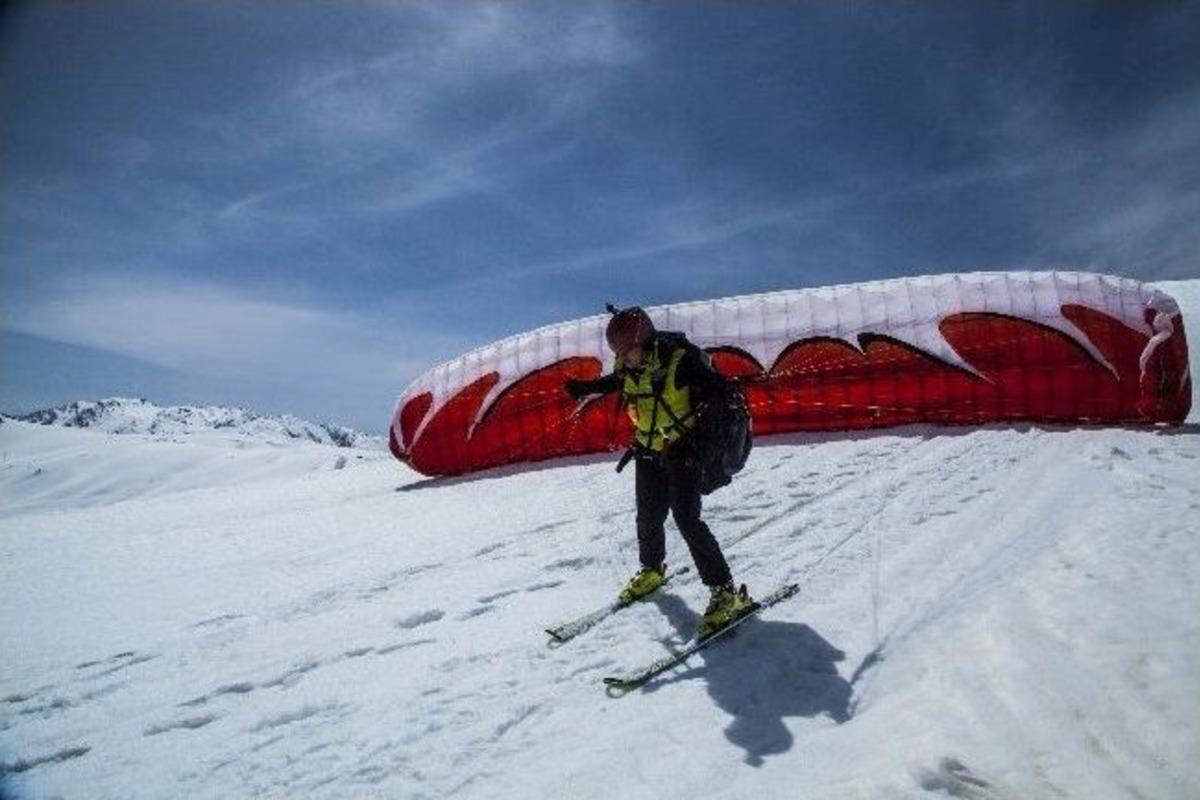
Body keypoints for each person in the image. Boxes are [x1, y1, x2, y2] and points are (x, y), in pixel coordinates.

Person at [565, 305, 753, 638]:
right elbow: (619, 380)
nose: (627, 358)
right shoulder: (628, 363)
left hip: (684, 449)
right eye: (620, 353)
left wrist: (723, 394)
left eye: (630, 351)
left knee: (686, 518)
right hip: (647, 448)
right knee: (648, 515)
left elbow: (717, 395)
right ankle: (651, 569)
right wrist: (586, 387)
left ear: (647, 341)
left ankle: (724, 591)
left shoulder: (682, 359)